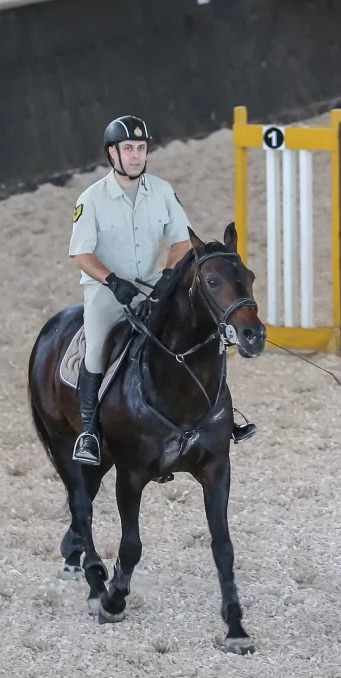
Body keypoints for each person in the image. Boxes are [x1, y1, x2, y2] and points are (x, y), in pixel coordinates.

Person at [67, 115, 256, 466]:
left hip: (152, 282)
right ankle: (90, 433)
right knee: (95, 348)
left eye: (141, 148)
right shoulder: (91, 199)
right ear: (112, 153)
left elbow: (181, 241)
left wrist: (169, 275)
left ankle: (223, 415)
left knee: (200, 331)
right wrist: (111, 281)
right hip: (106, 291)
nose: (136, 155)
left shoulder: (162, 191)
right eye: (128, 148)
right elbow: (81, 255)